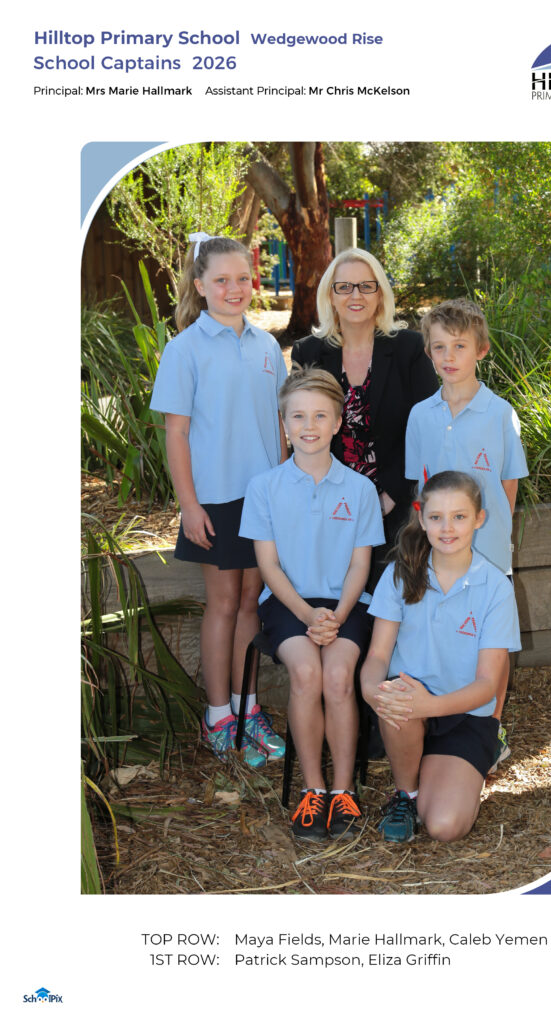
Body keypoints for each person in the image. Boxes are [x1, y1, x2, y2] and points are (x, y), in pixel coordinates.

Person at [150, 232, 288, 769]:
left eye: (243, 278)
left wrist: (283, 488)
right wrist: (190, 504)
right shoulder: (184, 349)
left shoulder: (266, 346)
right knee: (225, 603)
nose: (235, 288)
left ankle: (247, 708)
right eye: (222, 280)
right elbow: (177, 434)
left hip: (262, 496)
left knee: (252, 601)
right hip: (215, 499)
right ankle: (217, 716)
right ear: (201, 285)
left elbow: (280, 424)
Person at [240, 368, 385, 841]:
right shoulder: (264, 488)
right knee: (306, 673)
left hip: (347, 603)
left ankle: (344, 791)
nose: (309, 425)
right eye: (298, 416)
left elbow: (360, 566)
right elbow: (268, 566)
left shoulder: (360, 490)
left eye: (320, 415)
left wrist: (337, 616)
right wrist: (307, 615)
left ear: (338, 422)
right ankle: (313, 790)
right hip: (288, 603)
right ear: (283, 423)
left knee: (339, 676)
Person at [361, 471, 521, 842]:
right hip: (409, 711)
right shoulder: (399, 575)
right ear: (422, 519)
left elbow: (487, 685)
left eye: (459, 516)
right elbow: (377, 656)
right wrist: (373, 692)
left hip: (465, 715)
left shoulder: (495, 588)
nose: (447, 528)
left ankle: (461, 765)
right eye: (436, 517)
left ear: (479, 519)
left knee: (444, 827)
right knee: (396, 695)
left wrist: (429, 706)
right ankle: (405, 793)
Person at [405, 298, 528, 769]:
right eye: (439, 347)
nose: (449, 356)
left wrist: (495, 542)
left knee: (491, 642)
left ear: (481, 349)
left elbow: (508, 485)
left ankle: (489, 730)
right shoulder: (421, 416)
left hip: (488, 548)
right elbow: (419, 486)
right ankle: (445, 721)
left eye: (460, 346)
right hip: (438, 549)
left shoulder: (500, 414)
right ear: (429, 353)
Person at [290, 247, 438, 586]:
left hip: (398, 503)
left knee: (396, 595)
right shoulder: (307, 352)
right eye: (344, 287)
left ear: (380, 294)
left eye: (366, 286)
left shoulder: (409, 349)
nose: (355, 295)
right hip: (329, 503)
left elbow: (427, 430)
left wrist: (389, 495)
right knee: (336, 598)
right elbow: (301, 431)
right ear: (330, 296)